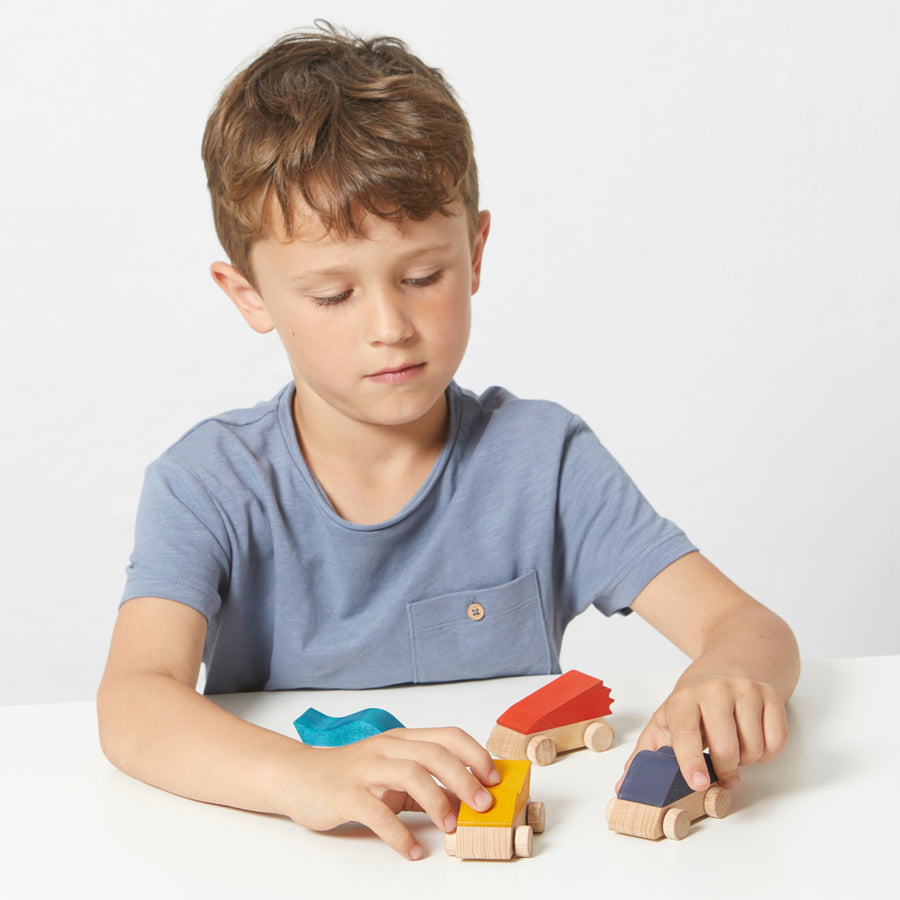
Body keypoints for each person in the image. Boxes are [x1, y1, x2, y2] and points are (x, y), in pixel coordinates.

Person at [97, 23, 800, 861]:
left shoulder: (545, 460)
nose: (389, 328)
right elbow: (134, 703)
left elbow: (748, 627)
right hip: (293, 864)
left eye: (423, 277)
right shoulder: (207, 481)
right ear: (249, 296)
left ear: (474, 251)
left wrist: (725, 679)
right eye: (332, 294)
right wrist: (301, 777)